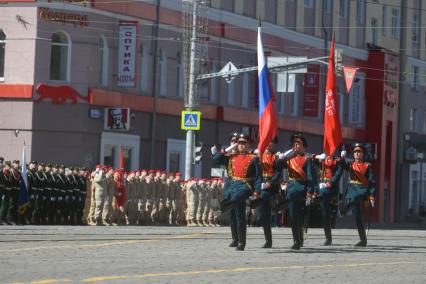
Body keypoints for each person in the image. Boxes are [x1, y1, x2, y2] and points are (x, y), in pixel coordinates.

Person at [213, 133, 262, 251]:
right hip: (233, 186)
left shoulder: (253, 158)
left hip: (245, 186)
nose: (240, 145)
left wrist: (257, 192)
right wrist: (228, 148)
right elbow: (216, 159)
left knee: (236, 200)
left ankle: (220, 208)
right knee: (237, 215)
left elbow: (258, 177)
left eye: (243, 143)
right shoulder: (231, 157)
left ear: (248, 145)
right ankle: (239, 241)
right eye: (239, 143)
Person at [279, 133, 316, 250]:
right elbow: (277, 166)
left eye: (299, 144)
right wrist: (281, 157)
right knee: (292, 217)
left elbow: (311, 178)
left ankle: (299, 240)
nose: (296, 146)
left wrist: (309, 193)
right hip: (290, 191)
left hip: (301, 191)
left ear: (304, 147)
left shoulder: (307, 160)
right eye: (294, 144)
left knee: (299, 217)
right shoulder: (289, 159)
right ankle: (296, 240)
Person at [341, 143, 376, 247]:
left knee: (356, 198)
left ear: (363, 154)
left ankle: (344, 210)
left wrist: (372, 195)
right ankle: (363, 240)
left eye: (359, 152)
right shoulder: (351, 165)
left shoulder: (367, 166)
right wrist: (342, 157)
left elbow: (372, 181)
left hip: (362, 190)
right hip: (352, 190)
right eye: (355, 152)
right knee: (358, 217)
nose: (357, 154)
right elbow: (342, 166)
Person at [251, 136, 284, 248]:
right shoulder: (258, 155)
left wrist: (270, 183)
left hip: (271, 187)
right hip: (260, 185)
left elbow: (278, 173)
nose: (270, 144)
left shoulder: (275, 157)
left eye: (272, 143)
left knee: (266, 213)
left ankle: (268, 240)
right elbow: (256, 173)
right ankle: (268, 240)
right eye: (268, 142)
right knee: (263, 216)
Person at [211, 132, 240, 246]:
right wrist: (226, 149)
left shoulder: (244, 155)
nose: (234, 143)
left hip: (240, 187)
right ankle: (235, 239)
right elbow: (216, 159)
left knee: (240, 214)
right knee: (232, 214)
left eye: (236, 141)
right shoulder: (228, 157)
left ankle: (241, 239)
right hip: (230, 188)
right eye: (232, 141)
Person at [312, 153, 343, 245]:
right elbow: (311, 161)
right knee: (325, 214)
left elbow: (338, 173)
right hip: (322, 187)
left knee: (328, 214)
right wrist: (316, 157)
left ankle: (328, 238)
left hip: (331, 188)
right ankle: (328, 238)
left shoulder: (337, 161)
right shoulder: (323, 159)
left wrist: (330, 183)